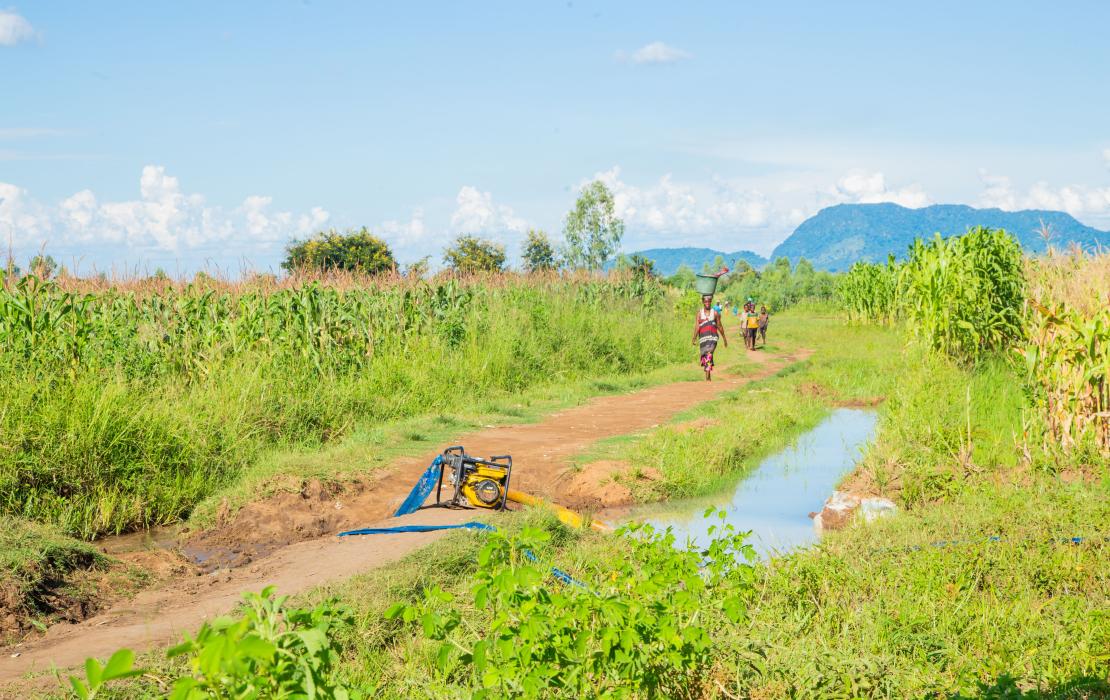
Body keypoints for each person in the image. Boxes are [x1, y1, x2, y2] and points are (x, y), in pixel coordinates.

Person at [692, 294, 727, 380]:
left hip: (713, 337)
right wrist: (694, 337)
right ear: (703, 302)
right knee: (705, 355)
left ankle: (707, 377)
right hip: (703, 338)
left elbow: (720, 326)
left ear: (711, 302)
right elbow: (697, 326)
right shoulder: (699, 314)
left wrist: (724, 338)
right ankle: (708, 374)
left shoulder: (715, 313)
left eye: (709, 301)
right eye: (705, 301)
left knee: (709, 353)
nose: (707, 303)